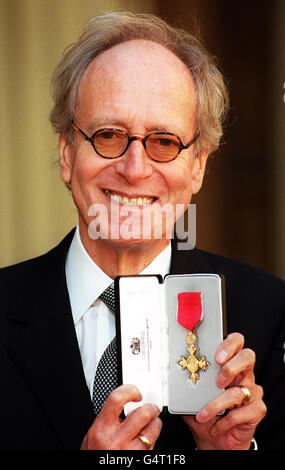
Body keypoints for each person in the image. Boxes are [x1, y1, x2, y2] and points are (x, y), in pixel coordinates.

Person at [0, 11, 284, 451]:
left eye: (164, 142)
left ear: (198, 167)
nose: (134, 169)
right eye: (109, 135)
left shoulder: (273, 316)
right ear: (66, 154)